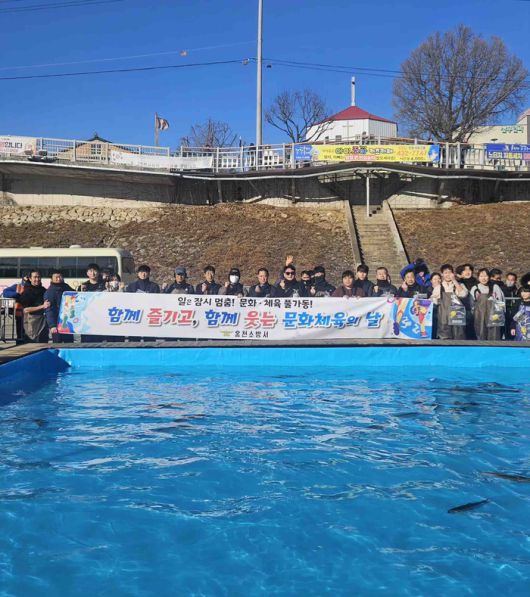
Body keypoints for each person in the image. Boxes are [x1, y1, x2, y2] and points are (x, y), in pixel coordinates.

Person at [430, 264, 469, 340]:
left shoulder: (459, 285)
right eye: (445, 273)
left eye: (450, 272)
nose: (448, 275)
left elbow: (463, 294)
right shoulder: (439, 287)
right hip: (444, 318)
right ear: (442, 274)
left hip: (457, 317)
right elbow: (433, 301)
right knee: (445, 337)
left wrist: (454, 281)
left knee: (459, 336)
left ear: (453, 273)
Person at [470, 268, 505, 341]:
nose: (483, 278)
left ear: (489, 277)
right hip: (479, 316)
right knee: (481, 334)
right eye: (481, 276)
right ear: (478, 277)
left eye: (485, 276)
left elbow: (501, 301)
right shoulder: (475, 288)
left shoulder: (495, 287)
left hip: (494, 316)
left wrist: (500, 314)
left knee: (494, 334)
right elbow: (472, 304)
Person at [18, 270, 50, 343]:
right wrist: (42, 306)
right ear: (30, 279)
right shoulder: (27, 292)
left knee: (44, 343)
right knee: (33, 344)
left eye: (39, 277)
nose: (37, 279)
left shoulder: (43, 290)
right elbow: (26, 310)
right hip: (32, 323)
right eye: (35, 277)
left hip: (43, 322)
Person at [44, 270, 74, 343]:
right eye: (56, 277)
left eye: (60, 276)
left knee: (69, 344)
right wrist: (52, 325)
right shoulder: (50, 292)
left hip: (67, 322)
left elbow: (75, 295)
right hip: (57, 323)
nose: (59, 279)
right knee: (57, 345)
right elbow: (49, 310)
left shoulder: (66, 287)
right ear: (52, 279)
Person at [2, 271, 31, 341]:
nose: (28, 279)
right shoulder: (18, 286)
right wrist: (16, 294)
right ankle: (20, 339)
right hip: (20, 313)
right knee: (20, 329)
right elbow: (5, 292)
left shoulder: (36, 287)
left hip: (32, 313)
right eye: (27, 277)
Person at [510, 273, 530, 342]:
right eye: (522, 292)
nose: (523, 294)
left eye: (526, 292)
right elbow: (515, 316)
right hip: (520, 329)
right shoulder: (519, 303)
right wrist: (513, 327)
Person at [504, 272, 519, 340]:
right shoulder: (502, 289)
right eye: (508, 279)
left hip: (514, 312)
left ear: (515, 281)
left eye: (512, 280)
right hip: (505, 312)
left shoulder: (517, 291)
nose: (510, 281)